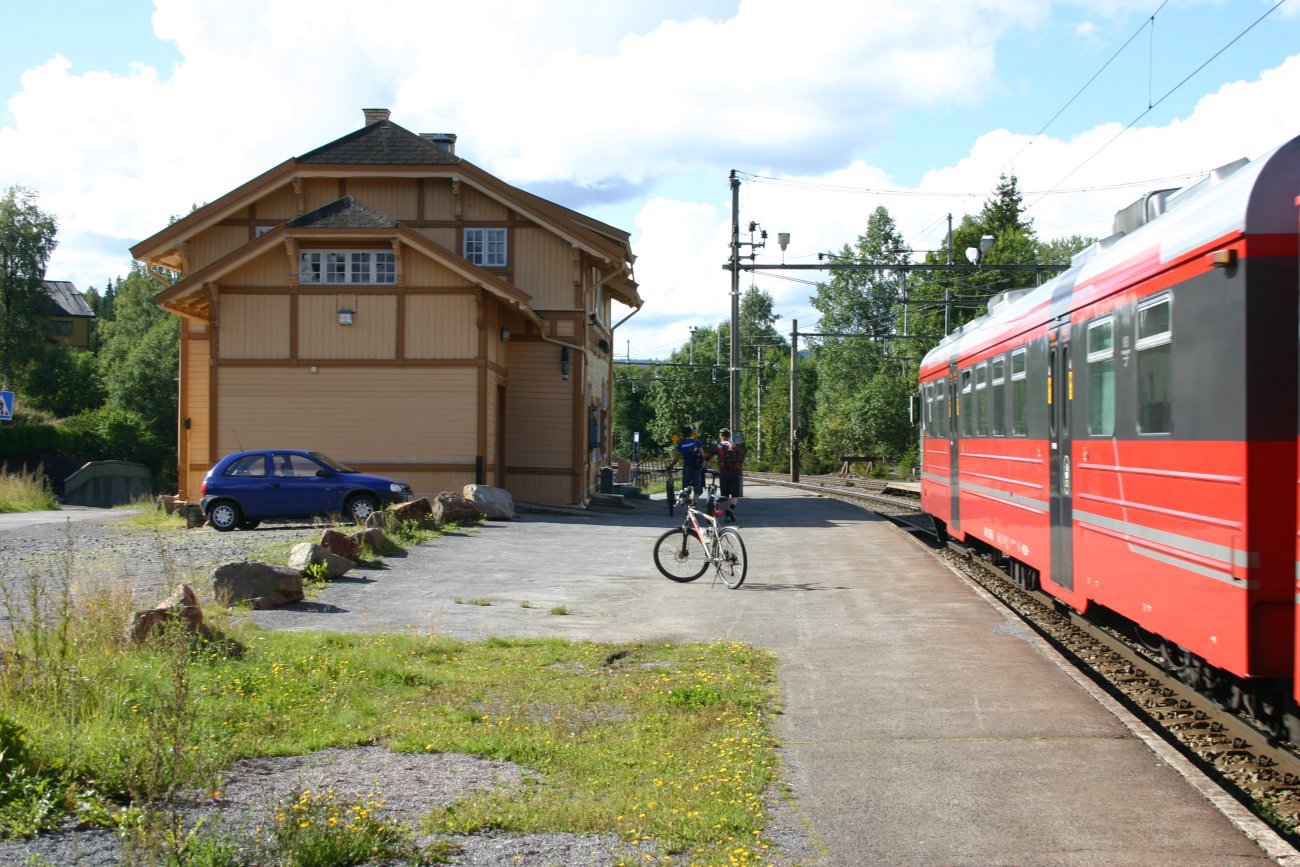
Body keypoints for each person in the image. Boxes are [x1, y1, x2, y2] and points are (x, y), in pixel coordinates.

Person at [707, 427, 744, 522]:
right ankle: (731, 509)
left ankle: (727, 516)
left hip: (724, 473)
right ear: (729, 436)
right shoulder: (735, 446)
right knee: (735, 495)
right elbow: (740, 458)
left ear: (720, 436)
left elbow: (707, 457)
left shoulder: (718, 446)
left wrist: (703, 467)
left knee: (725, 496)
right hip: (735, 472)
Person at [669, 424, 706, 499]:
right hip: (696, 467)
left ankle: (688, 503)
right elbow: (704, 455)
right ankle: (694, 504)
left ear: (683, 434)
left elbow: (676, 458)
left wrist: (671, 465)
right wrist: (703, 465)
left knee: (685, 486)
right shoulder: (697, 442)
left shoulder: (681, 444)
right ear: (691, 433)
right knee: (697, 486)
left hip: (687, 466)